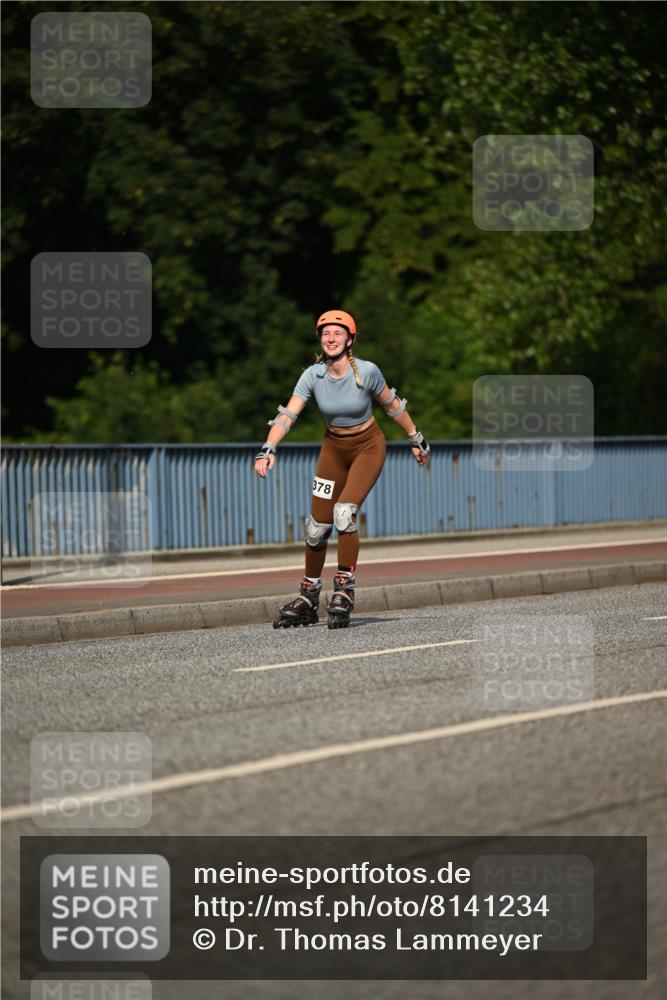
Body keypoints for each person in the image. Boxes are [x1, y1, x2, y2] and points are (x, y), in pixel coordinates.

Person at [254, 309, 430, 629]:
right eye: (326, 333)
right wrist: (268, 448)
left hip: (368, 448)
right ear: (320, 339)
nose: (331, 338)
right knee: (316, 527)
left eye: (338, 333)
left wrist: (416, 438)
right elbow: (288, 415)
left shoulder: (367, 371)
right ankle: (309, 596)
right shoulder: (313, 375)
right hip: (333, 450)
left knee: (344, 513)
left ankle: (344, 590)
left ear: (350, 340)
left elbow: (392, 405)